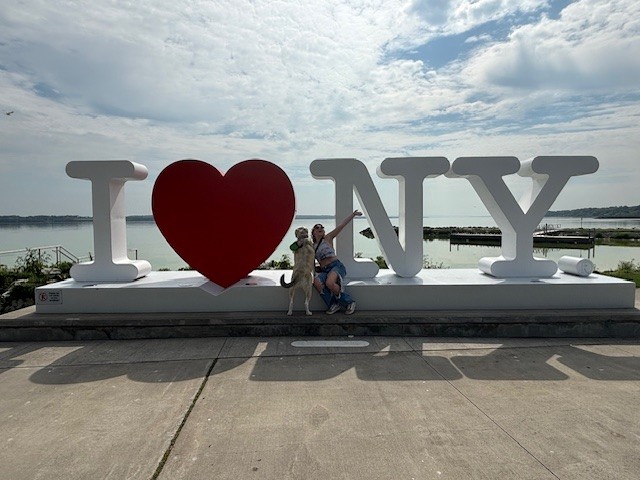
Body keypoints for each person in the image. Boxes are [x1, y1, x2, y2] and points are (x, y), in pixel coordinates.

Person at [310, 210, 362, 314]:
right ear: (313, 232)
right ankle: (334, 304)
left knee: (329, 283)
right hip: (325, 270)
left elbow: (341, 226)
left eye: (322, 227)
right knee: (316, 282)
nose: (320, 228)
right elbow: (310, 261)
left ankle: (349, 302)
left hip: (336, 266)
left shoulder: (328, 238)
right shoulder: (311, 247)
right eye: (317, 227)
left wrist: (353, 214)